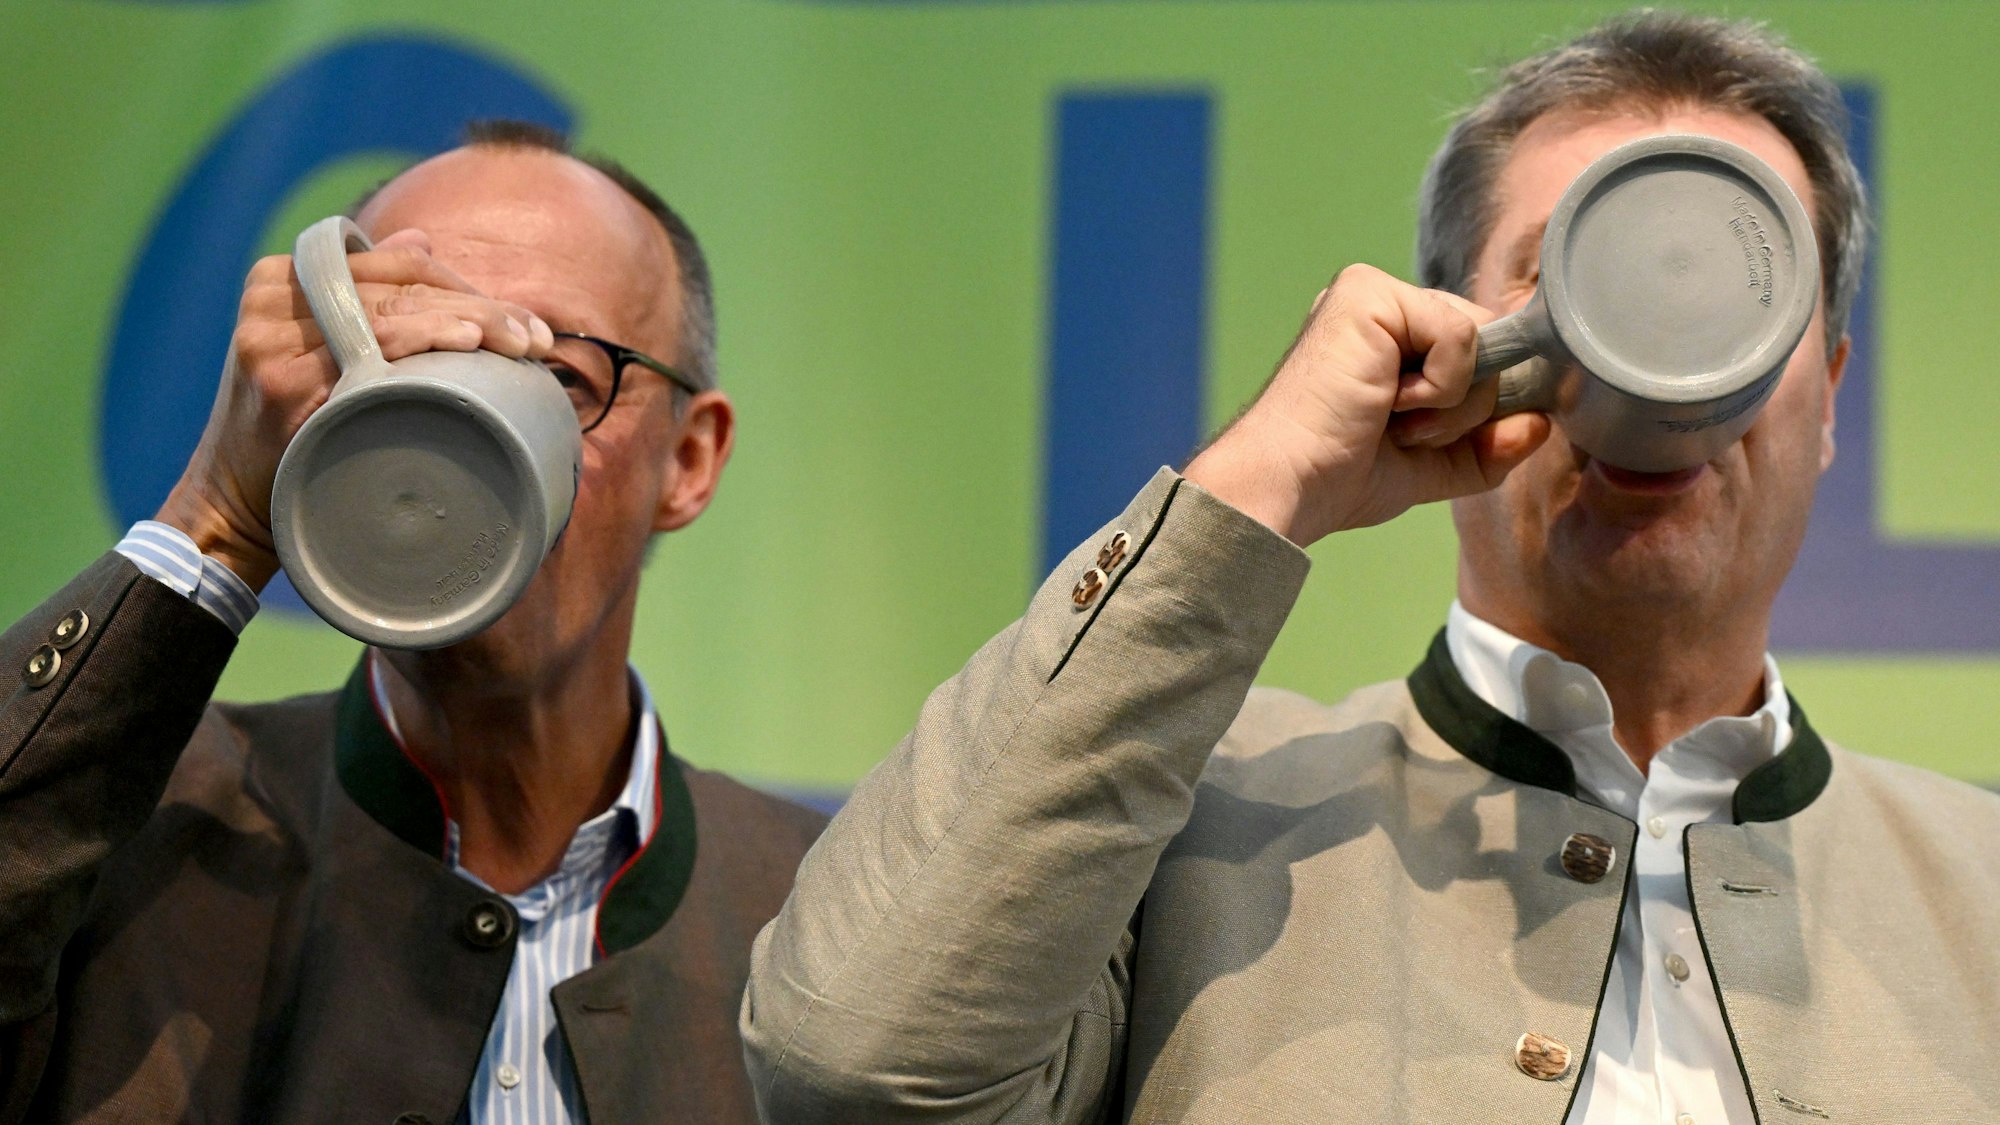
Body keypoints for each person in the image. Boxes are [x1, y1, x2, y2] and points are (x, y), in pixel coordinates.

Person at [741, 12, 2000, 1123]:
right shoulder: (1184, 839)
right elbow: (854, 1071)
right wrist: (1256, 484)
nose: (1652, 352)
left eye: (1737, 291)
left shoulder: (1976, 888)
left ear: (1828, 391)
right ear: (1453, 337)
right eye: (1576, 279)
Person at [0, 121, 825, 1124]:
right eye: (404, 363)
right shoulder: (135, 831)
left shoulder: (821, 917)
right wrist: (213, 519)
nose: (466, 433)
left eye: (561, 376)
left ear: (688, 460)